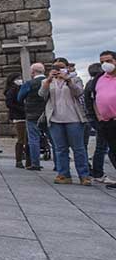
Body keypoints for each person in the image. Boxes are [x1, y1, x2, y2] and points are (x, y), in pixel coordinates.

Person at [40, 56, 90, 185]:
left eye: (61, 67)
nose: (58, 70)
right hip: (55, 119)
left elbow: (79, 93)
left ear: (67, 68)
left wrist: (68, 81)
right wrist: (48, 80)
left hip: (74, 118)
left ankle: (84, 175)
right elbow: (42, 94)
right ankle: (63, 174)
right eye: (55, 67)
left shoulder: (75, 79)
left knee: (78, 148)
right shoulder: (48, 81)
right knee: (60, 148)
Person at [84, 61, 116, 183]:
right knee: (103, 147)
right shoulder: (95, 84)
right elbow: (91, 102)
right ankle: (98, 172)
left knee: (103, 147)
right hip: (101, 120)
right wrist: (98, 117)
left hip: (99, 118)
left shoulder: (91, 83)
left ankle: (97, 171)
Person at [92, 50, 116, 190]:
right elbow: (93, 97)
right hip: (106, 121)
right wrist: (99, 115)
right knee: (113, 151)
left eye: (108, 61)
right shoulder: (100, 78)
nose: (105, 65)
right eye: (102, 62)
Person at [18, 62, 47, 170]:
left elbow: (19, 97)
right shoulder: (50, 81)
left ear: (33, 72)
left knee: (33, 139)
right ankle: (58, 165)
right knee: (53, 139)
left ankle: (35, 163)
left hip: (32, 114)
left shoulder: (29, 83)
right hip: (49, 113)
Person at [4, 73, 31, 168]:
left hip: (22, 115)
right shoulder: (12, 90)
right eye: (18, 78)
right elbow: (9, 103)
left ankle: (27, 161)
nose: (20, 80)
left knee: (26, 139)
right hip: (19, 116)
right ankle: (19, 160)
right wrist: (22, 109)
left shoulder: (20, 88)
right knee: (22, 138)